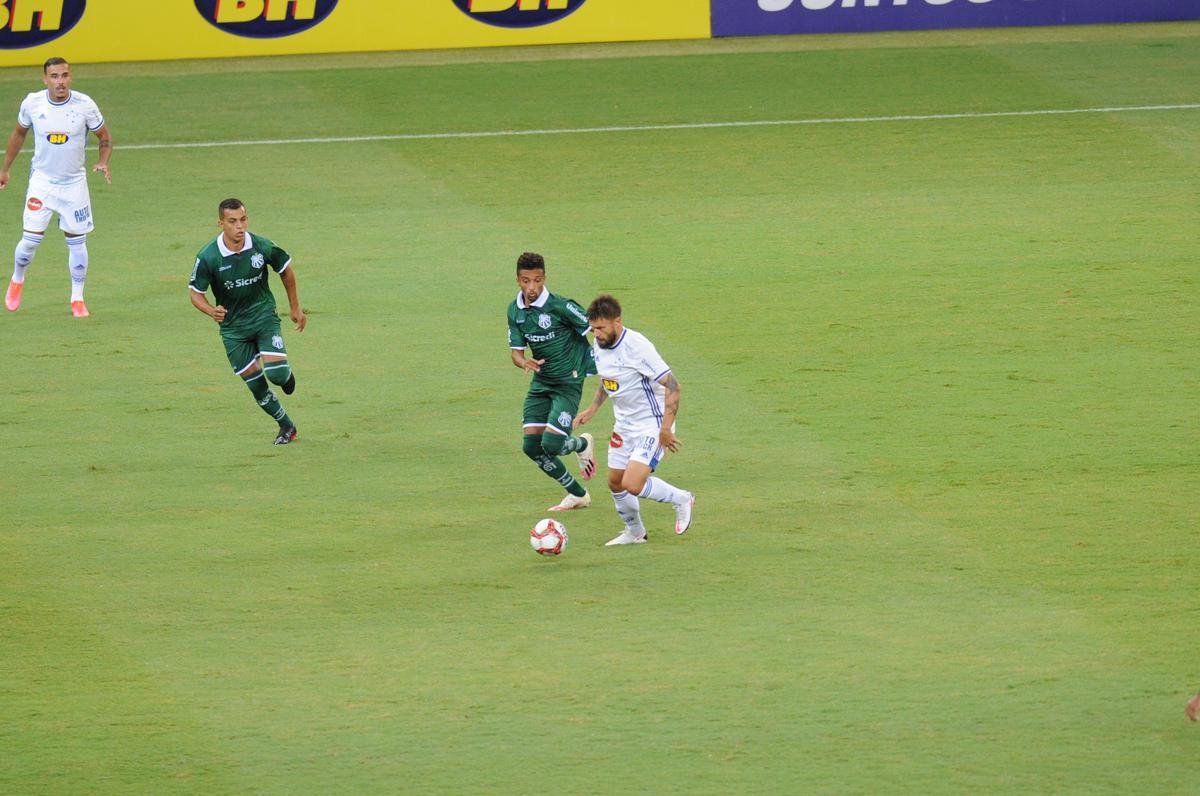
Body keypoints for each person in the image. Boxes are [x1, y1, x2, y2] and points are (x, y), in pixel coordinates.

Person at [574, 294, 694, 546]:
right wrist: (592, 409)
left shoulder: (638, 347)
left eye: (601, 328)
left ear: (617, 322)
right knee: (615, 482)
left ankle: (682, 498)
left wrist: (665, 429)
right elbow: (608, 381)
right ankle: (636, 533)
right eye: (593, 328)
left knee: (632, 483)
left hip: (653, 423)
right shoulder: (600, 344)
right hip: (625, 425)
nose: (596, 334)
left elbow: (673, 385)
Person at [189, 198, 306, 445]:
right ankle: (286, 426)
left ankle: (286, 376)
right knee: (256, 386)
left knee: (276, 374)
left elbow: (285, 270)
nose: (239, 227)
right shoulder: (209, 256)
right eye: (232, 221)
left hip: (263, 316)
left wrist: (295, 307)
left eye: (243, 220)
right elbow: (195, 293)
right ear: (221, 223)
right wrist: (211, 310)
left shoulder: (261, 246)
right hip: (233, 330)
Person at [1, 57, 112, 317]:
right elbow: (18, 133)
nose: (60, 81)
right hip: (42, 182)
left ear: (70, 77)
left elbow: (104, 137)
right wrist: (5, 168)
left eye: (64, 75)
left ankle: (77, 299)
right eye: (54, 76)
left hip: (74, 185)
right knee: (29, 242)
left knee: (77, 241)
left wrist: (103, 161)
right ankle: (17, 279)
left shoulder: (85, 105)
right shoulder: (32, 103)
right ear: (45, 79)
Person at [507, 251, 597, 511]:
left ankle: (581, 443)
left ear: (544, 278)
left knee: (553, 444)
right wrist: (524, 362)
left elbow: (597, 329)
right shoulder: (515, 310)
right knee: (531, 446)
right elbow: (515, 352)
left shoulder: (560, 306)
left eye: (536, 280)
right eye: (525, 281)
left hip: (568, 383)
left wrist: (599, 363)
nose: (531, 287)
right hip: (541, 383)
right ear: (518, 280)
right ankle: (577, 493)